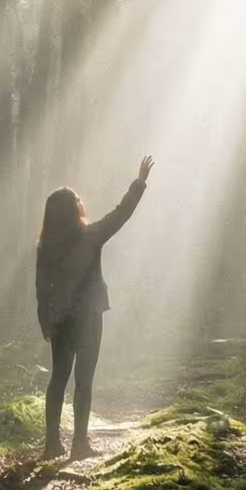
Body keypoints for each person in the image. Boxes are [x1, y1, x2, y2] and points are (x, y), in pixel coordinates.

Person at [35, 156, 154, 460]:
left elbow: (41, 288)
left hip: (61, 320)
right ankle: (79, 444)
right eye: (78, 201)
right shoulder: (91, 236)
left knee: (58, 379)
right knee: (83, 382)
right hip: (88, 318)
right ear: (75, 210)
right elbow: (121, 213)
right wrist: (139, 181)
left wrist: (45, 323)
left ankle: (51, 444)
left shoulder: (46, 246)